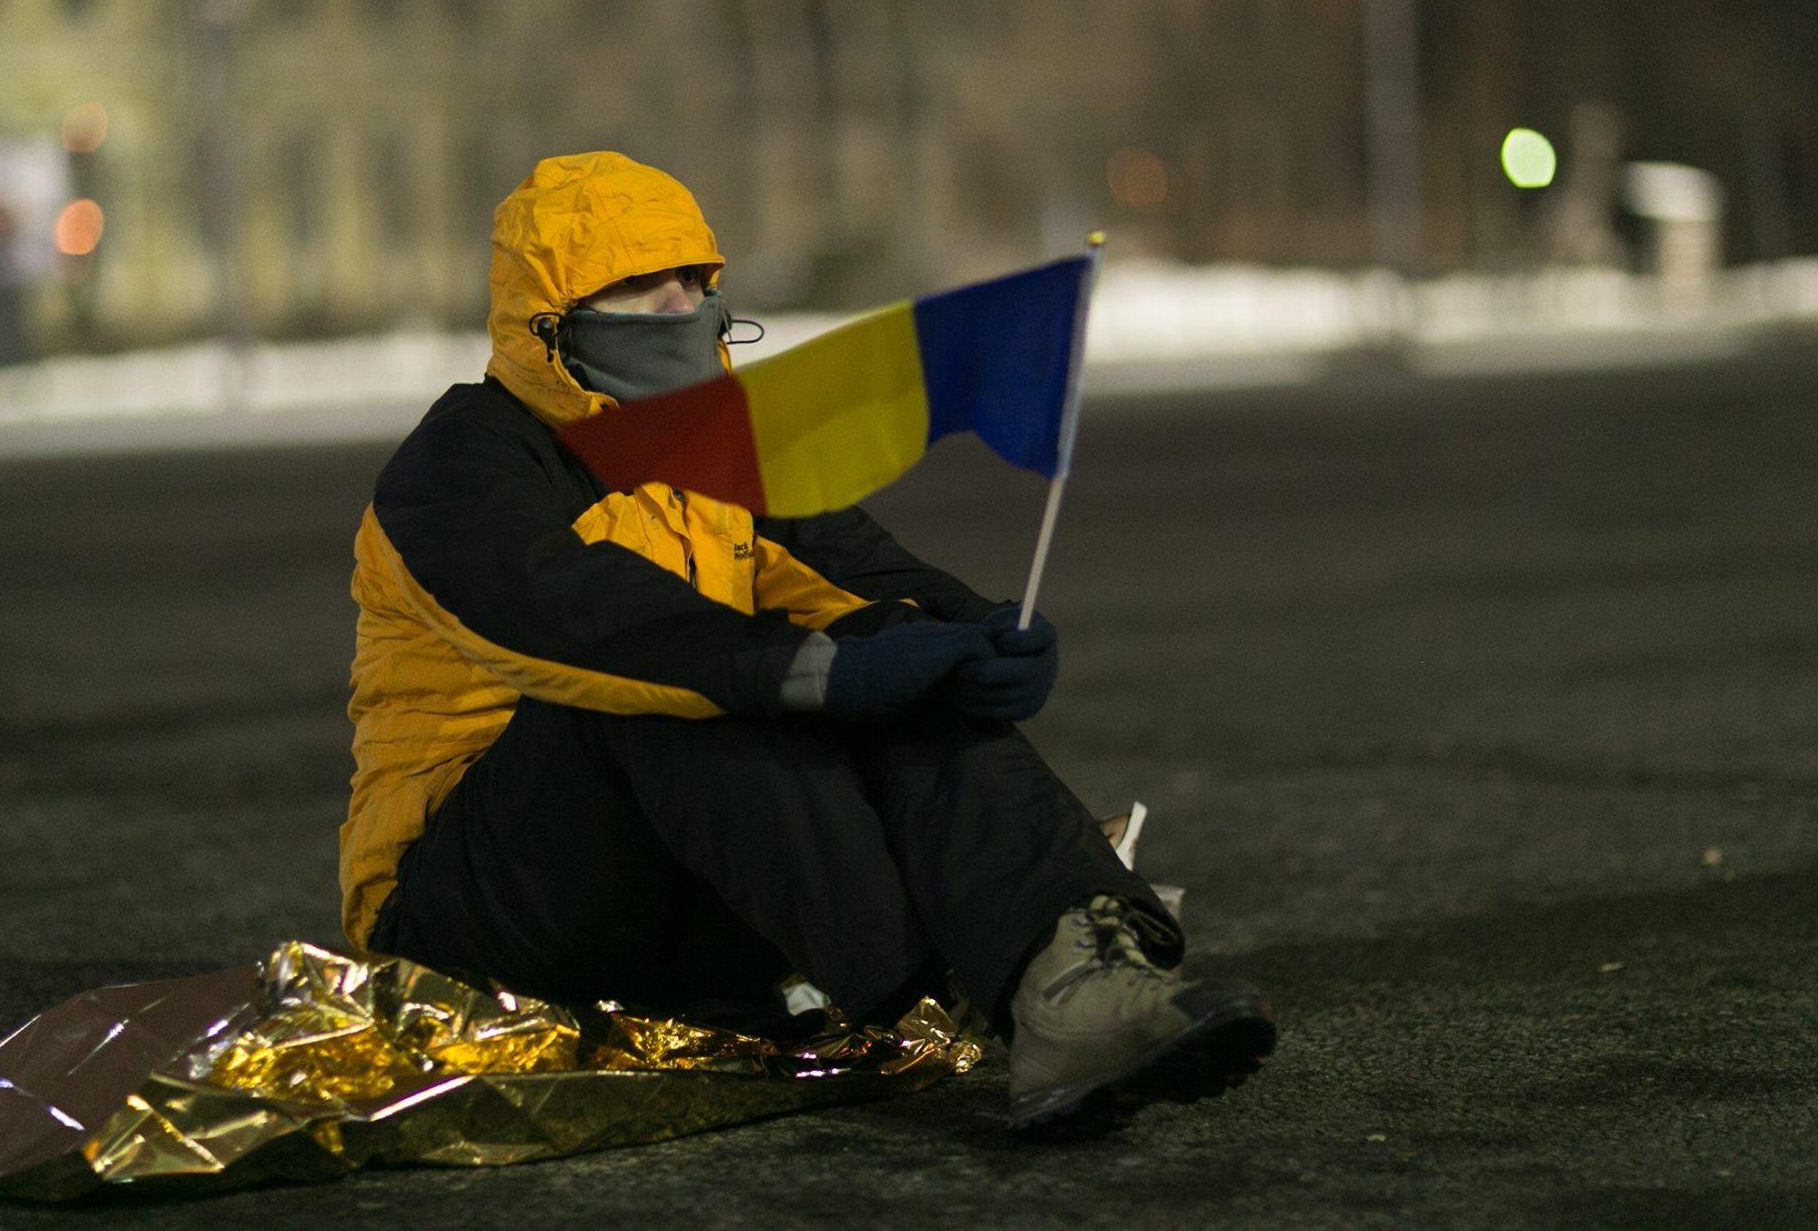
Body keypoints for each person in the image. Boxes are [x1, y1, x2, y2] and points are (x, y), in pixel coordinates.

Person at [340, 150, 1274, 1131]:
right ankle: (925, 967)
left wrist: (975, 639)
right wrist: (821, 672)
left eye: (694, 278)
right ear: (550, 320)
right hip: (464, 918)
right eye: (640, 285)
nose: (682, 305)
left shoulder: (717, 448)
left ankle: (1070, 991)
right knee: (671, 684)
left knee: (891, 660)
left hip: (671, 897)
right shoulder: (461, 465)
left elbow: (855, 575)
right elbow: (578, 619)